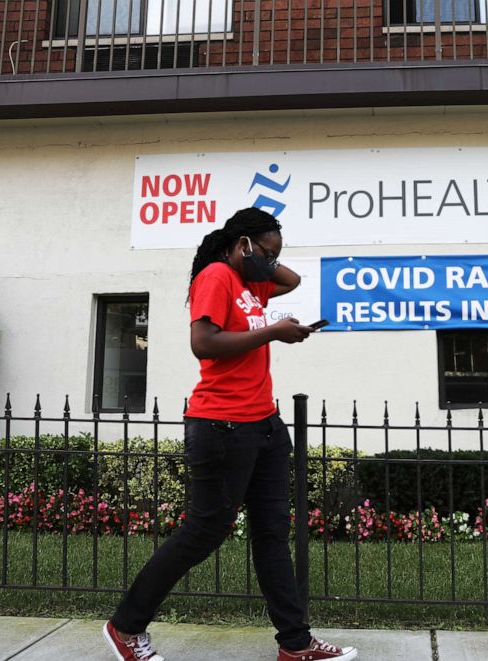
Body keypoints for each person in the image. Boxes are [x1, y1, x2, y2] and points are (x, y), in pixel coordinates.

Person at [103, 207, 357, 661]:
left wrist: (265, 259)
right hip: (222, 425)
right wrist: (273, 332)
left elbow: (292, 280)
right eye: (264, 250)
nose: (271, 261)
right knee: (204, 532)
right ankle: (125, 627)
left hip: (264, 426)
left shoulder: (249, 283)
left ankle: (295, 644)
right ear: (240, 244)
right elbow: (203, 343)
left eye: (274, 253)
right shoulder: (217, 277)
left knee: (272, 534)